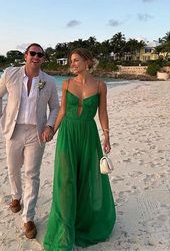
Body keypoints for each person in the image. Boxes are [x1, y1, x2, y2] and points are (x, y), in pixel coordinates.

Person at [43, 48, 116, 250]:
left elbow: (102, 112)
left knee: (87, 178)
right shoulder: (66, 84)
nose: (72, 64)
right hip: (68, 135)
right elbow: (63, 111)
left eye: (76, 60)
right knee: (65, 180)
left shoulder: (101, 86)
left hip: (88, 136)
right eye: (71, 61)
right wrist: (52, 131)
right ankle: (65, 230)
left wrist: (107, 134)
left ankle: (83, 223)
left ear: (87, 62)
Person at [0, 43, 59, 239]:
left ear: (43, 58)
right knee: (13, 168)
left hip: (36, 133)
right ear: (26, 55)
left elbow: (55, 107)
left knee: (32, 174)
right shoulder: (10, 74)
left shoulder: (49, 81)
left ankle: (28, 217)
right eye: (32, 53)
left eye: (40, 54)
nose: (36, 57)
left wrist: (49, 126)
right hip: (13, 130)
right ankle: (16, 197)